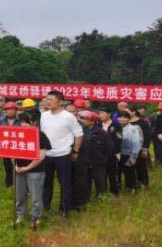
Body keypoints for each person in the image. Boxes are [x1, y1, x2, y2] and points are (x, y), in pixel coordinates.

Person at [41, 90, 83, 218]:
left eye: (51, 100)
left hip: (63, 154)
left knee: (65, 183)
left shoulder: (68, 117)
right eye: (47, 99)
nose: (48, 102)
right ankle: (45, 207)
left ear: (60, 102)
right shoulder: (44, 115)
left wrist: (75, 150)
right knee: (46, 182)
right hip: (47, 155)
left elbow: (79, 134)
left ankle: (64, 209)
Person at [14, 112, 51, 230]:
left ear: (33, 122)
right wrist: (15, 165)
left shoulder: (40, 135)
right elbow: (10, 151)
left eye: (25, 122)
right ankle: (21, 214)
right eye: (20, 122)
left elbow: (41, 156)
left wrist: (27, 168)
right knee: (20, 194)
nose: (22, 125)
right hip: (19, 169)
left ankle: (36, 216)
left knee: (36, 195)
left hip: (36, 170)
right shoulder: (16, 134)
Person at [73, 110, 113, 209]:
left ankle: (102, 201)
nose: (81, 120)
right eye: (81, 118)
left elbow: (109, 148)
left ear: (92, 121)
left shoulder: (101, 132)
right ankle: (84, 201)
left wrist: (103, 159)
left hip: (98, 163)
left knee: (100, 183)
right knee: (84, 183)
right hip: (83, 162)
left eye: (84, 119)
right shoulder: (79, 132)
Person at [98, 106, 122, 195]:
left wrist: (118, 152)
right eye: (99, 113)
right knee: (101, 174)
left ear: (109, 114)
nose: (100, 115)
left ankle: (115, 192)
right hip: (100, 153)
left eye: (102, 113)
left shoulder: (116, 125)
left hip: (112, 153)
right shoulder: (98, 125)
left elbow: (119, 139)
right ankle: (102, 192)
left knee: (113, 173)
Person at [117, 111, 142, 191]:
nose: (122, 119)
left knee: (129, 173)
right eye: (120, 117)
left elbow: (136, 143)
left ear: (129, 119)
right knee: (117, 173)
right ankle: (118, 188)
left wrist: (134, 157)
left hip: (128, 154)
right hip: (117, 154)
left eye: (124, 117)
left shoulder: (133, 129)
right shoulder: (116, 128)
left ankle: (131, 189)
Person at [0, 101, 21, 187]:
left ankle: (19, 183)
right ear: (5, 111)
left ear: (16, 111)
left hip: (19, 146)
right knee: (7, 165)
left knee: (19, 165)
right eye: (8, 110)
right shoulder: (0, 122)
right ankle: (9, 182)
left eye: (12, 110)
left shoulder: (21, 121)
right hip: (6, 147)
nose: (10, 111)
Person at [128, 105, 151, 189]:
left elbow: (147, 136)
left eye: (128, 111)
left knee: (141, 167)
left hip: (140, 149)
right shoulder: (125, 122)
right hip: (127, 150)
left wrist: (145, 149)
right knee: (129, 168)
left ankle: (144, 184)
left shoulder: (143, 122)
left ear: (133, 112)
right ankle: (133, 185)